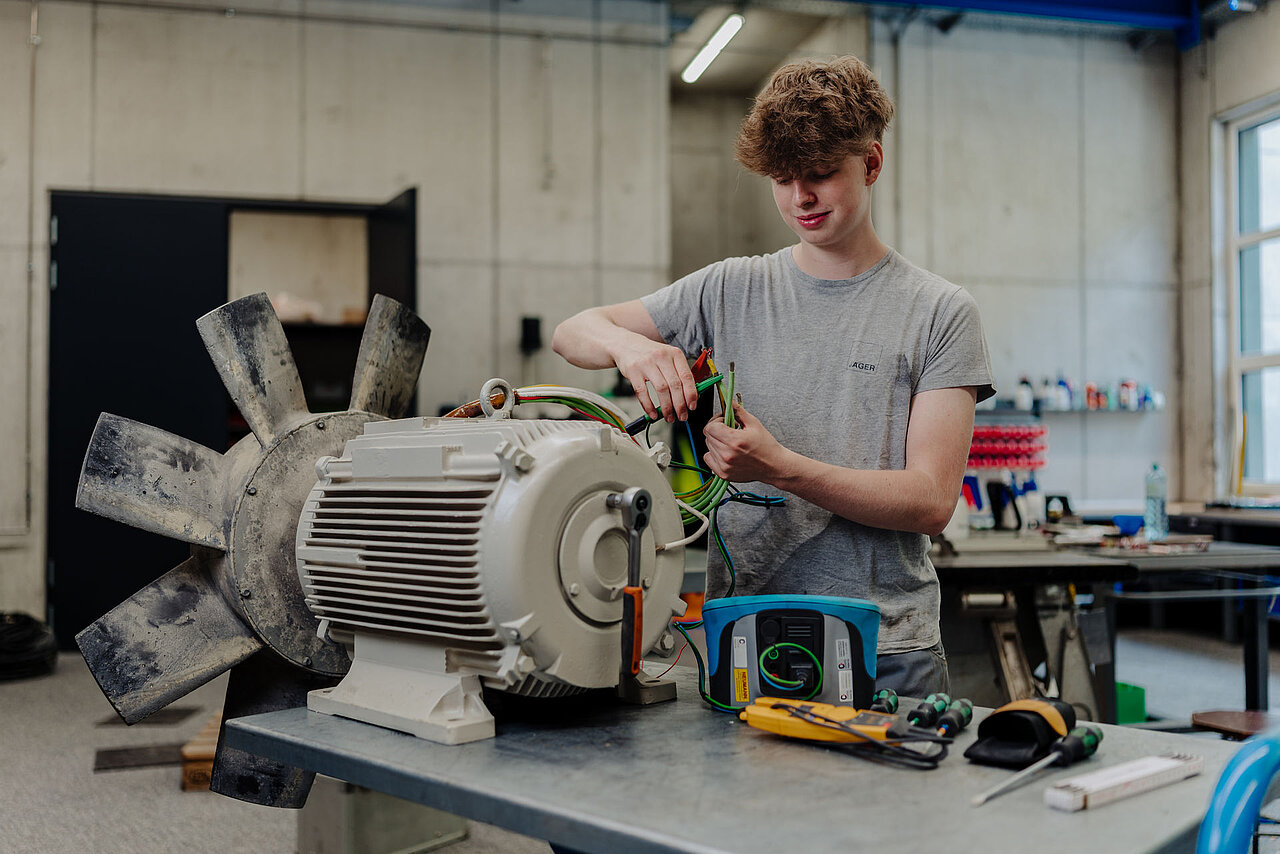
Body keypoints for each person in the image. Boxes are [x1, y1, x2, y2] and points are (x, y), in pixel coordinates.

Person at [552, 56, 994, 699]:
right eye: (782, 180)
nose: (799, 200)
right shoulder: (729, 288)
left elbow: (930, 501)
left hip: (885, 649)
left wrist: (782, 467)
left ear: (871, 164)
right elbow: (574, 332)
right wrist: (630, 349)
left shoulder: (938, 311)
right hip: (747, 638)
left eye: (819, 175)